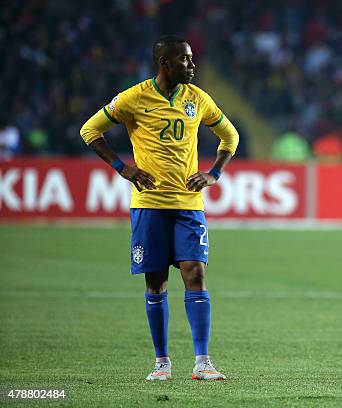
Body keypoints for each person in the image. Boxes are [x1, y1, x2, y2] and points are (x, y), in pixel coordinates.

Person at [80, 35, 239, 381]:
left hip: (188, 205)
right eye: (185, 59)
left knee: (195, 274)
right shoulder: (134, 98)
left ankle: (202, 362)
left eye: (192, 58)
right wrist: (123, 168)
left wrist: (213, 174)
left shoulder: (198, 99)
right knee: (156, 283)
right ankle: (162, 363)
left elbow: (231, 137)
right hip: (149, 205)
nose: (192, 65)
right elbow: (90, 130)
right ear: (164, 62)